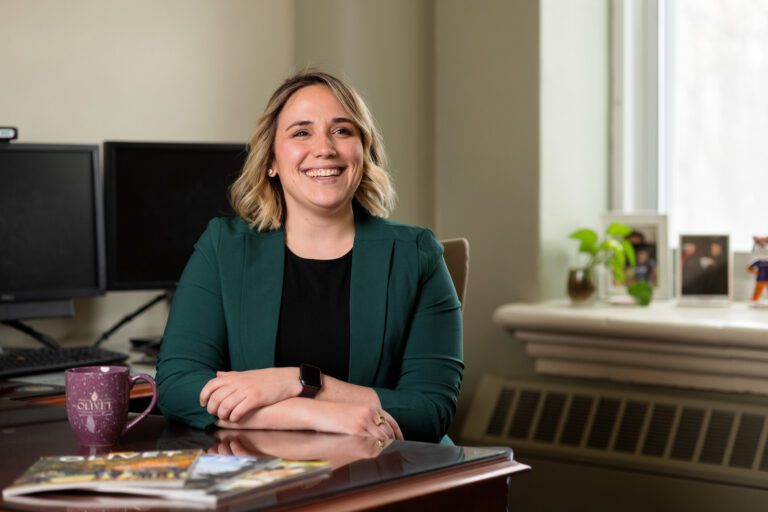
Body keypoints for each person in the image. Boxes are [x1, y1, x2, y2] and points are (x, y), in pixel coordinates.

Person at [156, 70, 464, 444]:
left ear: (363, 153)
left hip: (384, 474)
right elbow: (176, 387)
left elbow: (430, 410)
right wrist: (315, 412)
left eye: (342, 131)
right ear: (270, 160)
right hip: (260, 477)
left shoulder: (416, 255)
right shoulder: (224, 246)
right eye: (302, 132)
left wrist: (295, 381)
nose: (325, 148)